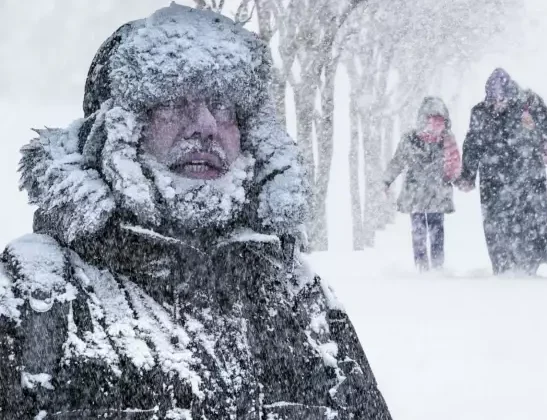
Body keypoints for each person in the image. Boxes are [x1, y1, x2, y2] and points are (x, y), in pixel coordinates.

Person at [0, 5, 393, 419]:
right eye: (172, 101)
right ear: (117, 129)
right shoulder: (32, 297)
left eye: (223, 105)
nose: (205, 125)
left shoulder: (299, 297)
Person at [456, 68, 547, 276]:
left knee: (528, 226)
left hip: (527, 178)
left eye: (501, 99)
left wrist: (535, 122)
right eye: (493, 100)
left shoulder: (529, 104)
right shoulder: (480, 112)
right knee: (496, 229)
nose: (497, 105)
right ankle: (503, 271)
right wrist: (468, 175)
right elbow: (472, 145)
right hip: (493, 181)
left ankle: (528, 271)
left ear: (509, 94)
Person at [383, 96, 461, 271]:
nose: (435, 124)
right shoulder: (410, 139)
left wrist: (461, 179)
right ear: (422, 119)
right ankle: (422, 268)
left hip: (437, 194)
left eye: (439, 119)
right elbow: (398, 161)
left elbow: (455, 164)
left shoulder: (447, 140)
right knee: (419, 231)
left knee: (436, 231)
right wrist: (386, 181)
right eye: (431, 118)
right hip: (416, 193)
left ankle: (437, 268)